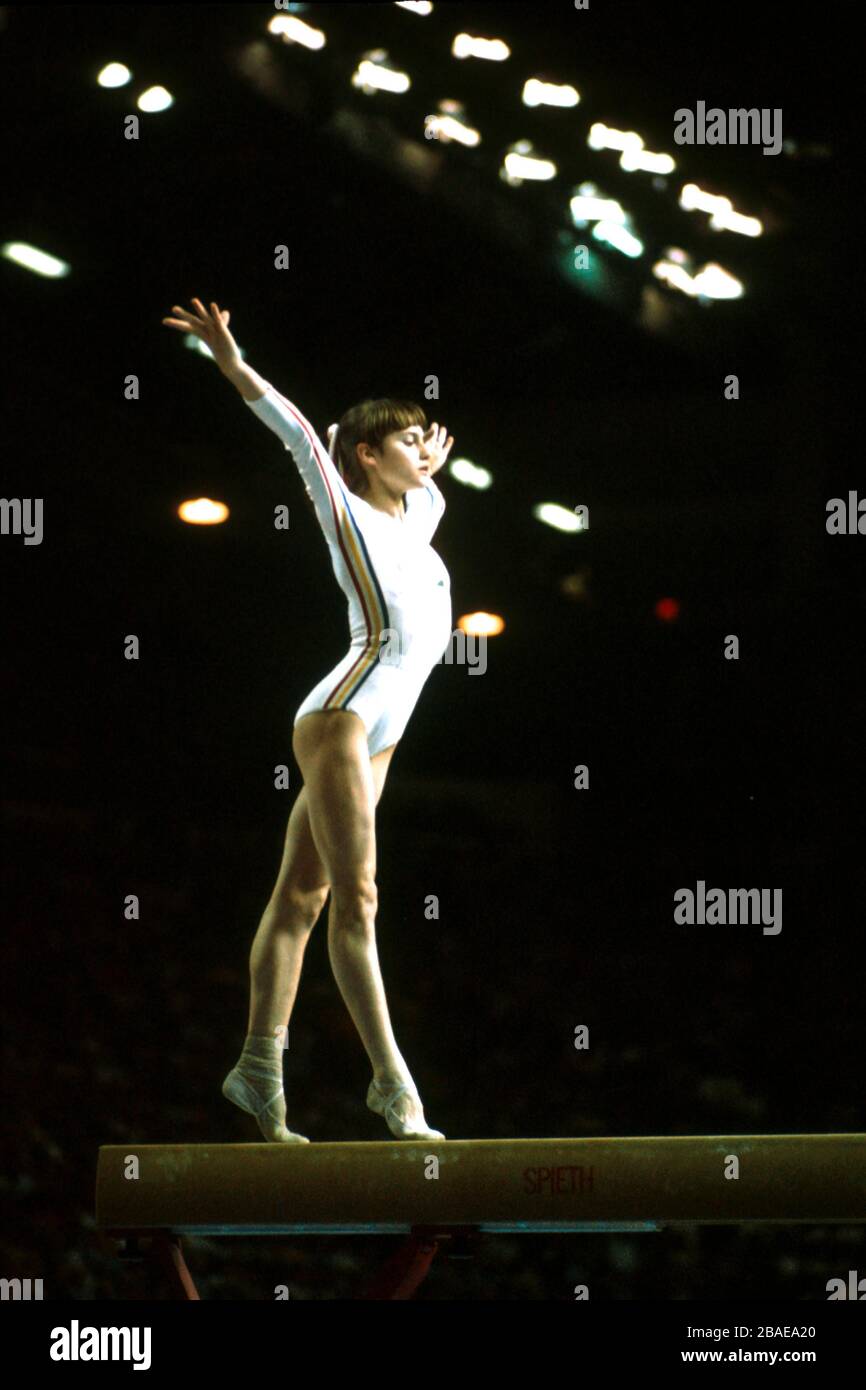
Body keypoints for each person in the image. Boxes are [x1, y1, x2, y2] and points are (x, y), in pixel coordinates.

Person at [162, 298, 454, 1142]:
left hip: (388, 725)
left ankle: (258, 1071)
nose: (422, 451)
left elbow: (427, 480)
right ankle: (396, 1090)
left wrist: (427, 462)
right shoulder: (343, 503)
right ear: (364, 455)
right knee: (358, 899)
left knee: (301, 896)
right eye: (404, 441)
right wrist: (230, 356)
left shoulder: (423, 516)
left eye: (422, 440)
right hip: (345, 715)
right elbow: (295, 427)